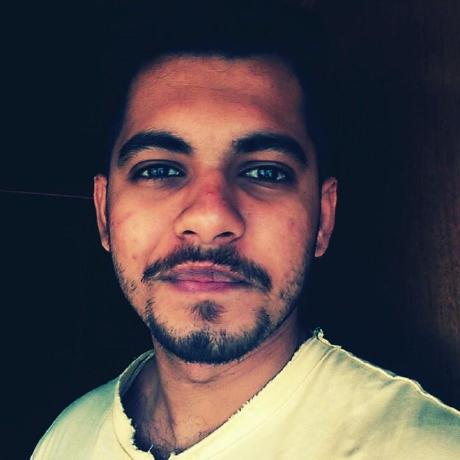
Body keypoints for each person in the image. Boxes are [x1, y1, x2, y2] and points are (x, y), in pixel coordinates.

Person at [32, 1, 460, 459]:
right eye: (159, 170)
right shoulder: (67, 440)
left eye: (265, 173)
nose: (210, 219)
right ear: (103, 212)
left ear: (323, 218)